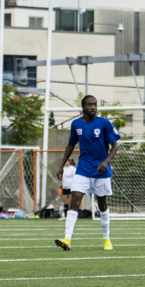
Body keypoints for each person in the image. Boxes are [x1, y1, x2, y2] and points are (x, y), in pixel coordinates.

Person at [54, 95, 121, 252]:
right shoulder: (76, 124)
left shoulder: (104, 123)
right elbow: (70, 145)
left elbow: (115, 145)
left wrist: (106, 161)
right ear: (83, 107)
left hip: (101, 172)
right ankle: (67, 239)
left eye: (95, 105)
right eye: (90, 105)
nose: (93, 107)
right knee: (75, 199)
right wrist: (61, 166)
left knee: (102, 204)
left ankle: (106, 239)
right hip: (83, 170)